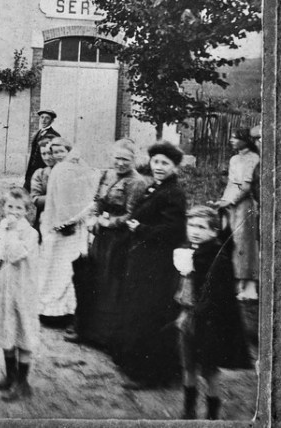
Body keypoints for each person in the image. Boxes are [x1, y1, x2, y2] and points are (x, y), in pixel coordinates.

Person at [116, 140, 186, 389]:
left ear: (174, 167)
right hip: (144, 260)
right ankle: (139, 366)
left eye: (165, 163)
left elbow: (174, 230)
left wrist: (141, 229)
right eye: (155, 161)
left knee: (152, 315)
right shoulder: (157, 187)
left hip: (158, 264)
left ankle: (152, 374)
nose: (158, 166)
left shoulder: (173, 193)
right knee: (140, 312)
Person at [66, 138, 147, 348]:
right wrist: (91, 218)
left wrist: (109, 222)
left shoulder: (136, 182)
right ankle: (87, 330)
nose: (120, 163)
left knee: (111, 285)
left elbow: (132, 215)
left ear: (134, 159)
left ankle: (106, 336)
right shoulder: (107, 174)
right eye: (117, 158)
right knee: (92, 280)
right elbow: (98, 201)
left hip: (120, 241)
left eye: (125, 159)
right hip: (101, 238)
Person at [174, 206, 250, 420]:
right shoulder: (187, 250)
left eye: (201, 227)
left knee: (209, 371)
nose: (195, 231)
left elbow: (219, 294)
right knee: (188, 365)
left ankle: (212, 414)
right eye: (191, 225)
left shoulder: (217, 256)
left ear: (214, 231)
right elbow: (183, 282)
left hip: (208, 322)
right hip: (187, 316)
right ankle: (188, 410)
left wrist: (200, 310)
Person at [0, 187, 40, 401]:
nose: (13, 211)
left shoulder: (30, 234)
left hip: (21, 291)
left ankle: (22, 383)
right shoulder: (0, 229)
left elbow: (16, 254)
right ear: (4, 207)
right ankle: (10, 377)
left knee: (22, 333)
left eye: (19, 208)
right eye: (10, 206)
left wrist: (12, 231)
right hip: (2, 288)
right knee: (6, 331)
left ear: (26, 211)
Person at [37, 137, 99, 325]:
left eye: (61, 151)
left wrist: (70, 220)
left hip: (72, 226)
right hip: (56, 224)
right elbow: (55, 198)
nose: (57, 155)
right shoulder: (58, 169)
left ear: (68, 150)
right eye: (54, 152)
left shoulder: (76, 169)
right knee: (53, 267)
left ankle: (67, 310)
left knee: (67, 267)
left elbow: (84, 194)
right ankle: (50, 310)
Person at [214, 129, 260, 301]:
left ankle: (248, 287)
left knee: (244, 244)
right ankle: (234, 284)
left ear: (245, 140)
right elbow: (231, 184)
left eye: (235, 137)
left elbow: (245, 187)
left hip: (244, 206)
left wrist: (231, 201)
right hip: (231, 205)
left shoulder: (253, 158)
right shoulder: (234, 159)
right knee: (230, 241)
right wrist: (223, 201)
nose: (231, 140)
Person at [23, 109, 60, 192]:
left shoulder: (55, 135)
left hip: (43, 170)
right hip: (32, 170)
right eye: (42, 117)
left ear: (52, 121)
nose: (44, 120)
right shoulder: (37, 133)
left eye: (47, 118)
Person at [28, 137, 56, 231]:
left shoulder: (66, 172)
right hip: (44, 219)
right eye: (43, 154)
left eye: (50, 153)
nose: (47, 157)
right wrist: (58, 198)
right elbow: (35, 199)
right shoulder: (40, 174)